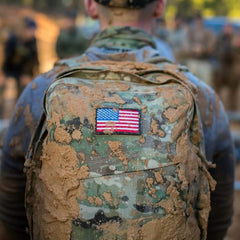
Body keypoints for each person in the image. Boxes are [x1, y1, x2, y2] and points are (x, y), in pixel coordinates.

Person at [0, 0, 234, 240]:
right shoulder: (203, 97)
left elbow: (11, 206)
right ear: (160, 6)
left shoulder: (39, 91)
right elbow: (218, 214)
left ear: (90, 6)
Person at [2, 17, 39, 96]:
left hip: (26, 73)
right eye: (31, 30)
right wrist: (3, 74)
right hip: (11, 71)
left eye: (34, 30)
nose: (33, 33)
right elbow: (7, 58)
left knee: (25, 95)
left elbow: (34, 59)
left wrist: (29, 75)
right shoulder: (13, 40)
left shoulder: (33, 41)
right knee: (9, 93)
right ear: (24, 29)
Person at [183, 13, 216, 86]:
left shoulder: (208, 32)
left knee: (206, 85)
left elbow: (212, 46)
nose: (198, 22)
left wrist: (202, 49)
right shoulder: (190, 32)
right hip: (192, 60)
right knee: (191, 84)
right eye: (196, 20)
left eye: (199, 20)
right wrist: (193, 48)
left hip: (205, 61)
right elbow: (185, 46)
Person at [213, 24, 239, 111]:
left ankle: (233, 108)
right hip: (222, 66)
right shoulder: (219, 39)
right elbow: (215, 51)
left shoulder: (235, 39)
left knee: (233, 89)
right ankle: (218, 107)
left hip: (233, 67)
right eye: (226, 28)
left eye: (229, 28)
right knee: (216, 84)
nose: (227, 30)